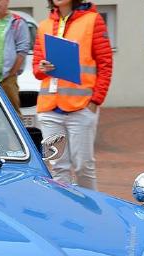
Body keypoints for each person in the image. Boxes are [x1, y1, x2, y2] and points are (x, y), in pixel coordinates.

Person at [33, 0, 112, 190]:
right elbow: (36, 69)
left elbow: (105, 64)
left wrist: (95, 101)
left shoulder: (93, 20)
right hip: (50, 109)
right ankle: (67, 212)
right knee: (58, 166)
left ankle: (91, 211)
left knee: (83, 165)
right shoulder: (43, 26)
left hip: (81, 106)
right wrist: (42, 67)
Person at [0, 0, 30, 111]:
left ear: (7, 2)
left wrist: (11, 73)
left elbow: (22, 51)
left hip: (7, 79)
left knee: (13, 115)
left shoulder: (17, 22)